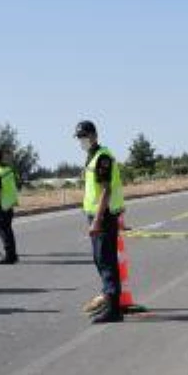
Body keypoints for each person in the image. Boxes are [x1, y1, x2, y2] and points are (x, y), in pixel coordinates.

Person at [75, 120, 126, 323]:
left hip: (102, 217)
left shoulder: (102, 157)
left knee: (106, 261)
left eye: (84, 137)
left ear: (94, 135)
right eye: (79, 138)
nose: (82, 141)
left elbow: (107, 189)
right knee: (100, 259)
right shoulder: (92, 156)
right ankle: (110, 301)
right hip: (98, 215)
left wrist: (97, 220)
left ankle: (113, 309)